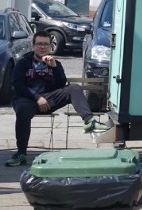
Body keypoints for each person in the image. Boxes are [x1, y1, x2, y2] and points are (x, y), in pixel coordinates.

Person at [5, 31, 113, 167]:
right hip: (28, 100)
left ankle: (89, 121)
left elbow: (61, 85)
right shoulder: (23, 63)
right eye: (39, 44)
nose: (42, 47)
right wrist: (37, 97)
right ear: (33, 46)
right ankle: (21, 153)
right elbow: (18, 85)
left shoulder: (55, 63)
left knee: (74, 88)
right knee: (21, 109)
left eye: (45, 44)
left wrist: (54, 68)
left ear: (50, 47)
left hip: (50, 100)